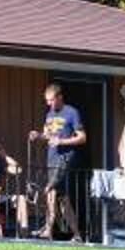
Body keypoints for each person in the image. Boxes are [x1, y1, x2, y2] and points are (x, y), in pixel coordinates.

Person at [33, 83, 87, 240]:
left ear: (59, 97)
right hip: (52, 158)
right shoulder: (49, 114)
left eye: (51, 100)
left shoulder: (71, 113)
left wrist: (62, 142)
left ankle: (48, 230)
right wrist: (38, 136)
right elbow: (47, 135)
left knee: (50, 189)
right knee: (63, 200)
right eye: (47, 101)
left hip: (65, 159)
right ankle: (77, 234)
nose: (48, 104)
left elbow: (82, 137)